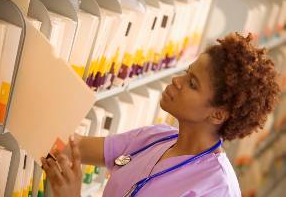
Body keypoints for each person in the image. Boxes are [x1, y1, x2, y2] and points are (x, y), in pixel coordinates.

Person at [41, 33, 280, 197]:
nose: (176, 81)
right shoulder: (155, 137)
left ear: (217, 114)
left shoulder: (215, 189)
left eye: (192, 83)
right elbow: (71, 148)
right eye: (187, 73)